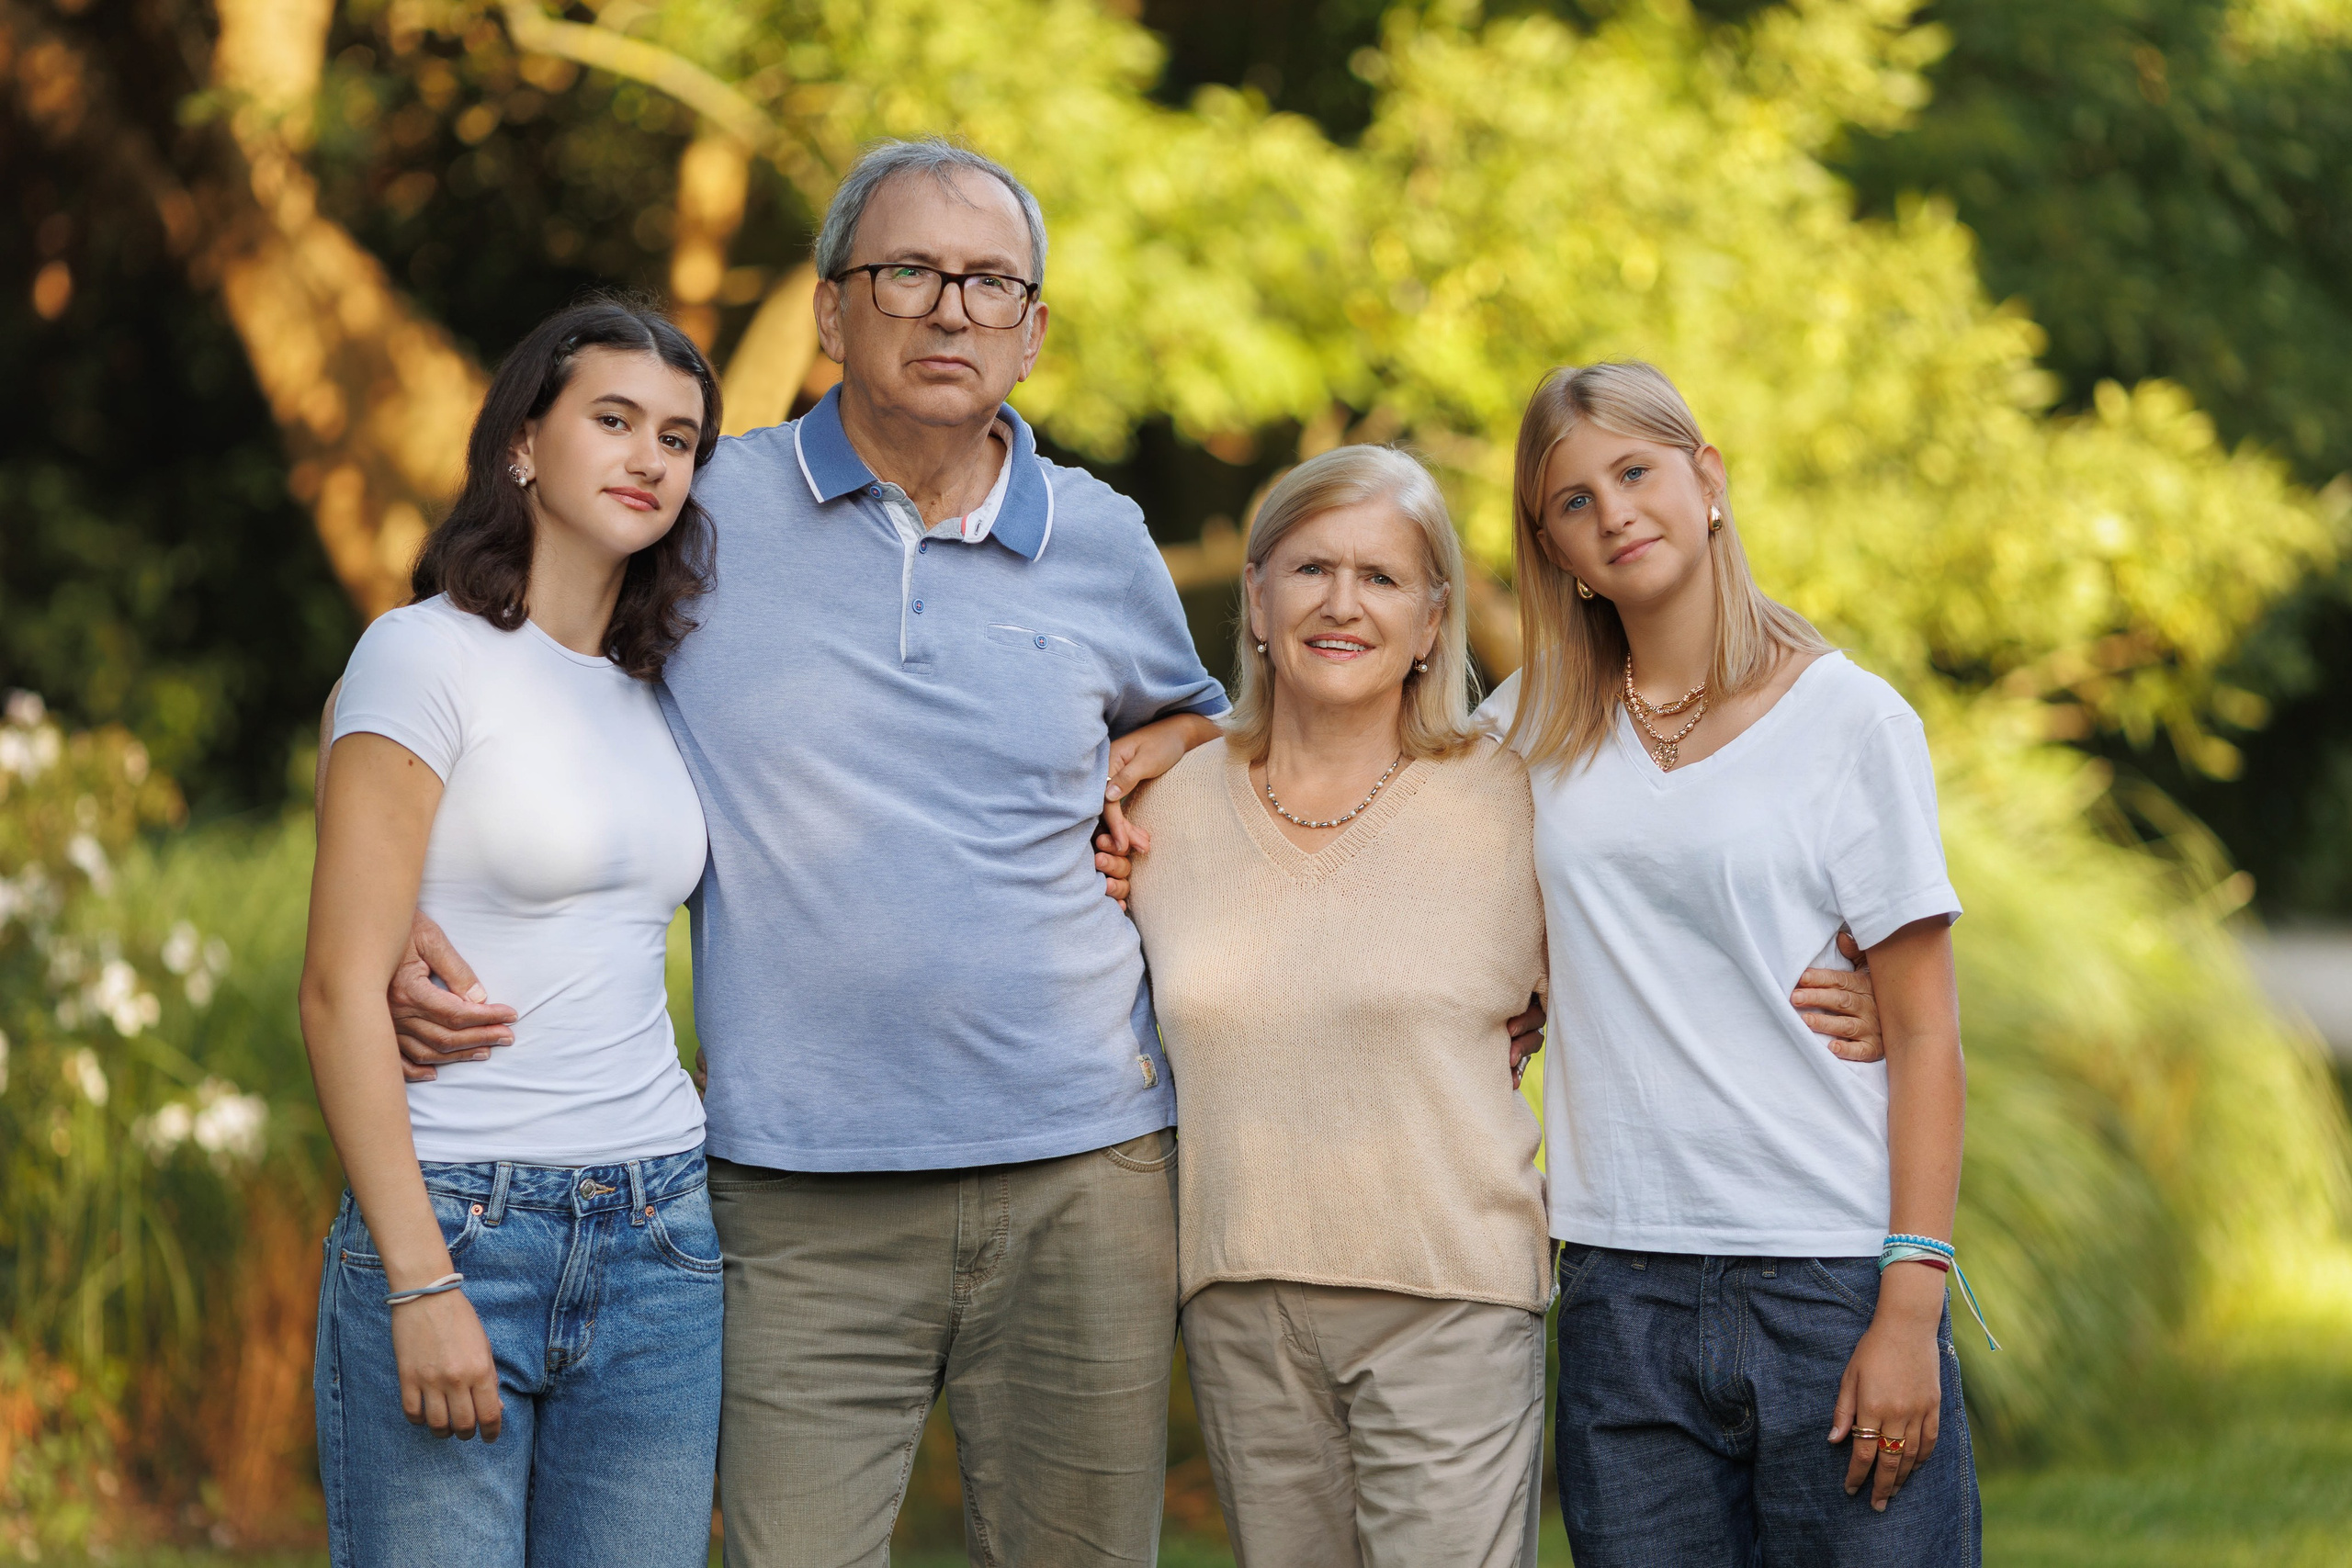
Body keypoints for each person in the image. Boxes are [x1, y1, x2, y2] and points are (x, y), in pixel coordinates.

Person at [370, 140, 1255, 1566]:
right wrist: (407, 900)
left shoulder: (1101, 536)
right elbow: (491, 664)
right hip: (793, 1195)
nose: (949, 309)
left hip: (1084, 1172)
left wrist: (1173, 754)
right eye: (906, 271)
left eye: (989, 283)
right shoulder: (701, 508)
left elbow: (1227, 737)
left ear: (1034, 333)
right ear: (834, 312)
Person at [1119, 445, 1892, 1568]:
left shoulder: (1516, 785)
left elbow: (1681, 901)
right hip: (1239, 1301)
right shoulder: (1163, 809)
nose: (1341, 603)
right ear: (1255, 595)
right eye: (1309, 570)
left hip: (1447, 1296)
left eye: (1382, 579)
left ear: (1434, 620)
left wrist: (1868, 983)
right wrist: (1178, 733)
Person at [1481, 361, 1982, 1566]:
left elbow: (1925, 1033)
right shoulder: (1524, 728)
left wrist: (1910, 1303)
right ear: (1554, 549)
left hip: (1829, 1268)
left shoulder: (1852, 721)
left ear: (1708, 479)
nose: (1616, 514)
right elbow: (1390, 855)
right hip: (1620, 1278)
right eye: (1574, 503)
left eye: (1636, 472)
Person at [300, 299, 726, 1568]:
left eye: (680, 436)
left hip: (661, 1230)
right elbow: (335, 993)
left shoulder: (667, 685)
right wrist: (419, 1279)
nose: (650, 455)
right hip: (459, 1215)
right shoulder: (420, 655)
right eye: (612, 419)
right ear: (524, 445)